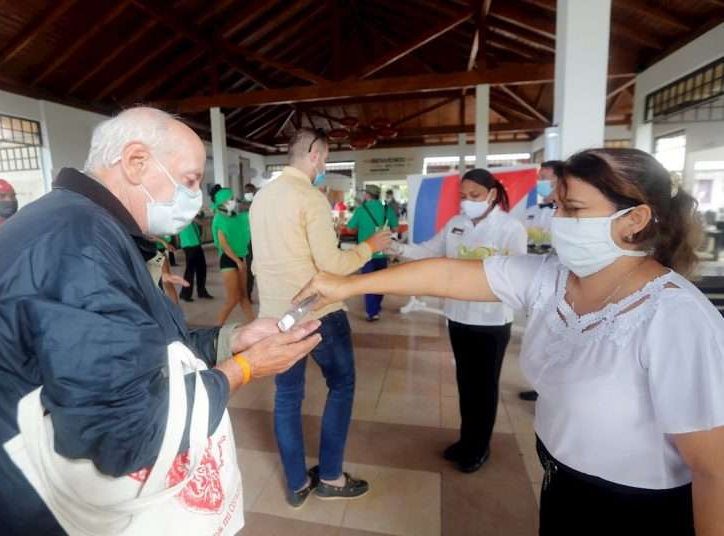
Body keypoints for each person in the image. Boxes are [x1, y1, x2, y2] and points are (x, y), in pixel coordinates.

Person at [298, 148, 724, 535]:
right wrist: (345, 286)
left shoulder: (676, 318)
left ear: (634, 220)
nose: (558, 221)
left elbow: (714, 469)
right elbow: (446, 273)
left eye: (573, 209)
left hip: (635, 510)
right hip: (561, 484)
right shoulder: (551, 278)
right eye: (557, 206)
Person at [0, 107, 324, 535]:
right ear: (137, 162)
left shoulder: (82, 224)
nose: (194, 200)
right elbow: (127, 432)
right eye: (190, 180)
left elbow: (141, 350)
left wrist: (232, 340)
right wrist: (245, 368)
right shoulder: (78, 246)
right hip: (35, 508)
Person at [249, 128, 391, 508]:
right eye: (325, 157)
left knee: (286, 399)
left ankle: (296, 485)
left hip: (276, 316)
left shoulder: (261, 198)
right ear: (313, 153)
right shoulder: (309, 197)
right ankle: (330, 476)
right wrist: (369, 247)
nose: (325, 165)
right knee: (341, 387)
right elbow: (331, 265)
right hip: (320, 313)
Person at [395, 169, 527, 472]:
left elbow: (518, 276)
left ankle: (480, 447)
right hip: (457, 315)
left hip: (492, 321)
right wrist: (395, 247)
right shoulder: (456, 224)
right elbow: (428, 251)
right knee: (466, 383)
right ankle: (466, 440)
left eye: (475, 196)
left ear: (492, 195)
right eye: (464, 196)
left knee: (484, 387)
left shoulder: (510, 228)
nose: (468, 202)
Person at [519, 160, 562, 402]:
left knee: (556, 334)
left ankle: (552, 386)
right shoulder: (531, 212)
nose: (541, 182)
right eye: (540, 177)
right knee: (537, 333)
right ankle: (539, 384)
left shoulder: (567, 212)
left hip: (560, 279)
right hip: (535, 277)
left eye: (546, 177)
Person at [347, 184, 399, 321]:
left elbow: (350, 229)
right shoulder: (387, 209)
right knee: (381, 281)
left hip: (367, 252)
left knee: (367, 281)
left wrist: (363, 229)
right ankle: (376, 305)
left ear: (367, 195)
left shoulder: (361, 210)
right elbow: (395, 228)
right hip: (383, 251)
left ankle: (372, 312)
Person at [212, 187, 255, 326]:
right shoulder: (219, 219)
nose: (233, 201)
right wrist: (237, 261)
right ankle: (216, 328)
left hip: (240, 258)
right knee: (232, 299)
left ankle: (253, 323)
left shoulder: (235, 217)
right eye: (230, 199)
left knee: (244, 297)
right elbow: (223, 245)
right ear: (222, 202)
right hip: (229, 260)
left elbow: (249, 216)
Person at [178, 212, 213, 302]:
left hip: (196, 243)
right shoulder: (182, 215)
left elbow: (200, 217)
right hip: (189, 244)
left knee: (201, 268)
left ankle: (201, 291)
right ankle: (185, 294)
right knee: (190, 270)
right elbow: (199, 221)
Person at [241, 182, 258, 302]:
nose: (248, 194)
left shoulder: (259, 204)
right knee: (249, 271)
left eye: (250, 192)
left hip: (259, 242)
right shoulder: (241, 207)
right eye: (246, 192)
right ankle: (247, 294)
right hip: (247, 243)